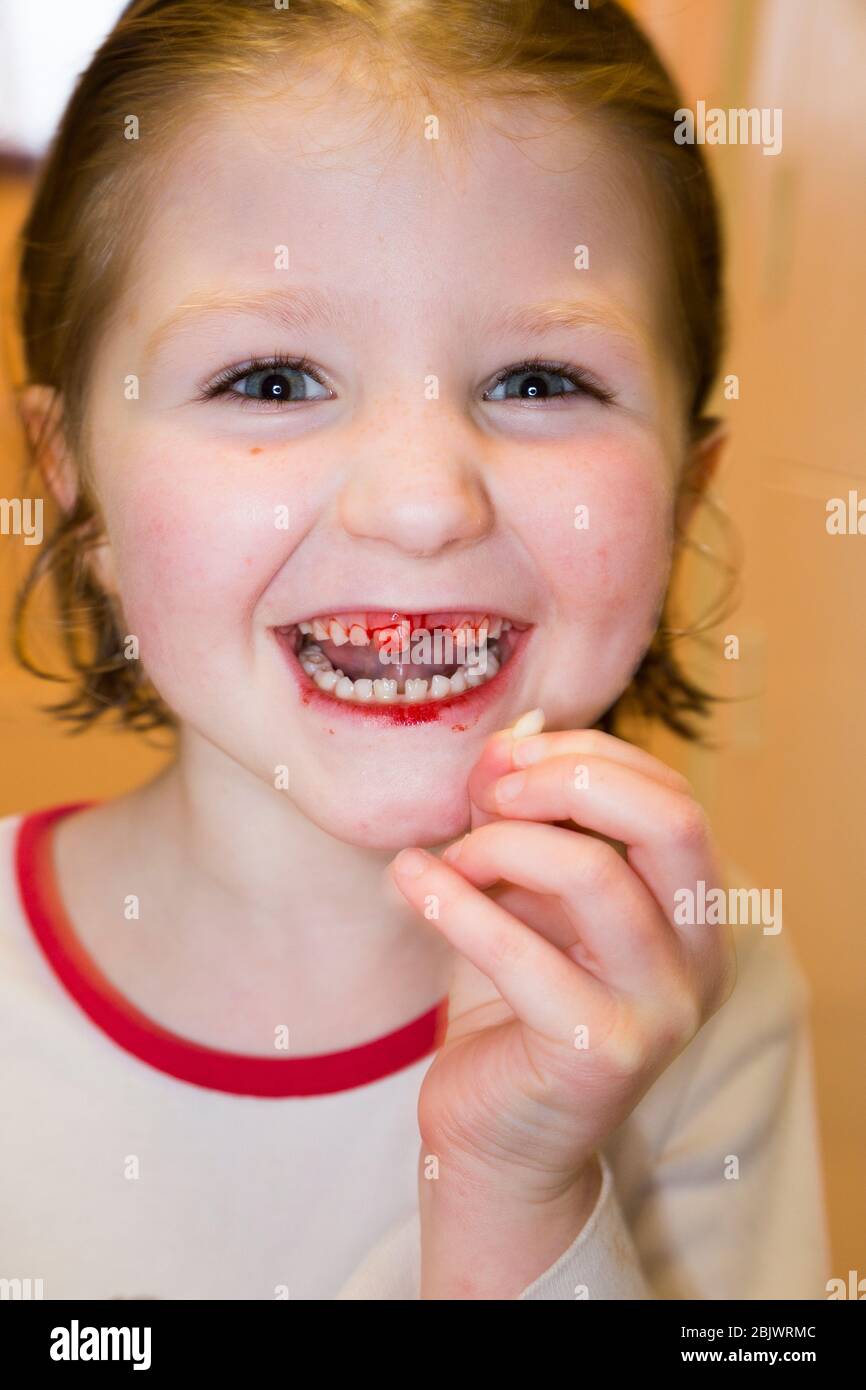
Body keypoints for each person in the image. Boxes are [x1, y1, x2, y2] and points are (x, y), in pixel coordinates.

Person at [1, 0, 829, 1299]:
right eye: (270, 380)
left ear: (681, 492)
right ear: (74, 482)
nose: (422, 501)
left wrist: (514, 1187)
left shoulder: (698, 991)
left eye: (540, 380)